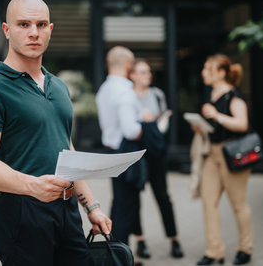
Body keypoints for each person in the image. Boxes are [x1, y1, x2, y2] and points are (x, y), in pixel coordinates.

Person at [0, 0, 111, 266]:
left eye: (41, 25)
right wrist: (33, 186)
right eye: (23, 25)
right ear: (7, 31)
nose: (34, 32)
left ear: (50, 30)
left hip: (67, 212)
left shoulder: (58, 86)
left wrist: (91, 207)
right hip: (23, 212)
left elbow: (66, 150)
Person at [192, 54, 253, 265]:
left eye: (208, 68)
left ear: (222, 72)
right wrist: (201, 127)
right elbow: (215, 128)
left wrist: (216, 116)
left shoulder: (233, 96)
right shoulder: (212, 95)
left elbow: (242, 124)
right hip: (213, 155)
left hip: (232, 154)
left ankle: (245, 248)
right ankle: (214, 251)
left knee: (238, 204)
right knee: (208, 202)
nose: (203, 72)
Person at [95, 47, 150, 250]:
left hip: (111, 150)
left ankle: (117, 252)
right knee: (125, 207)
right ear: (128, 64)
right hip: (125, 154)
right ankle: (120, 254)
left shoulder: (104, 89)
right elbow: (130, 131)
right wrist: (144, 124)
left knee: (120, 202)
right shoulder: (125, 92)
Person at [129, 58, 184, 259]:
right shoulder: (128, 96)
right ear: (132, 75)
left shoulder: (157, 94)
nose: (148, 75)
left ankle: (174, 239)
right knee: (134, 199)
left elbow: (163, 124)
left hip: (156, 154)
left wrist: (153, 122)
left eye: (149, 72)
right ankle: (141, 241)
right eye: (143, 72)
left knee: (163, 196)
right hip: (136, 153)